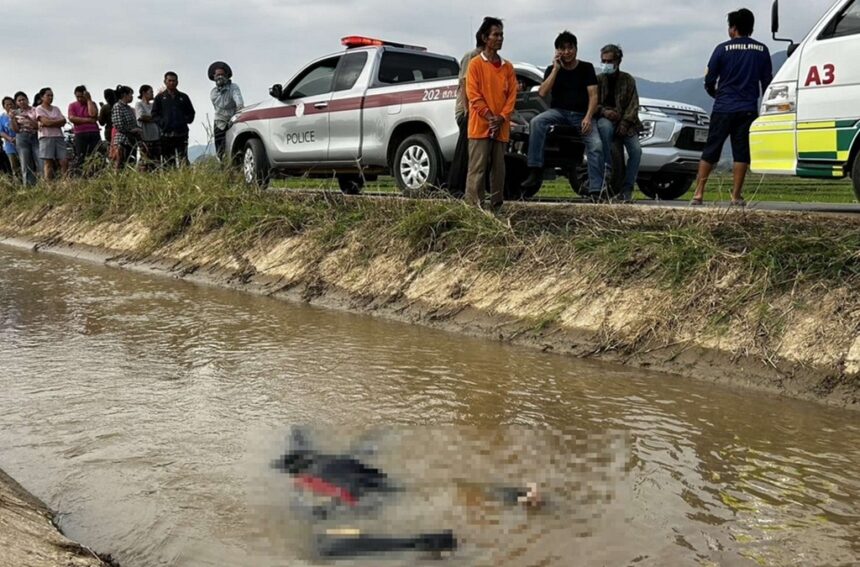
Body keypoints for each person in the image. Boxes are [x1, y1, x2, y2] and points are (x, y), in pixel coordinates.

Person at [691, 8, 772, 206]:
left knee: (711, 150)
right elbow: (767, 82)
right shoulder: (762, 50)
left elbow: (709, 79)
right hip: (747, 109)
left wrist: (715, 94)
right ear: (750, 28)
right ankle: (736, 196)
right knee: (741, 152)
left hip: (723, 107)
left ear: (733, 29)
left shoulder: (721, 49)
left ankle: (699, 193)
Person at [521, 31, 604, 200]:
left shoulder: (586, 68)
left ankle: (596, 190)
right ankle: (535, 169)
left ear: (576, 49)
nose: (567, 52)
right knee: (537, 122)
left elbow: (593, 96)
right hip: (559, 112)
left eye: (570, 48)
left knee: (595, 145)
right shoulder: (553, 69)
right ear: (557, 51)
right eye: (562, 48)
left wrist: (588, 117)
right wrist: (556, 70)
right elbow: (543, 92)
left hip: (582, 114)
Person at [464, 16, 517, 211]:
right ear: (485, 38)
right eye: (496, 34)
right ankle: (473, 209)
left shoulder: (508, 67)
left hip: (501, 126)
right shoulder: (475, 64)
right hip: (480, 126)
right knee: (477, 169)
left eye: (501, 34)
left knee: (498, 169)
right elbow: (473, 94)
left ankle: (496, 207)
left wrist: (501, 117)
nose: (500, 38)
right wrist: (488, 116)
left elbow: (512, 96)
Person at [595, 44, 643, 202]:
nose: (606, 64)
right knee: (605, 129)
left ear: (618, 61)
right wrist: (604, 111)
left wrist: (625, 123)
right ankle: (607, 170)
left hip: (626, 122)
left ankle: (627, 188)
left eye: (610, 61)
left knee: (636, 151)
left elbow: (633, 105)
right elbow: (592, 103)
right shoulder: (598, 80)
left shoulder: (628, 80)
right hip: (605, 118)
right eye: (603, 61)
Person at [446, 25, 486, 196]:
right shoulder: (472, 56)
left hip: (481, 111)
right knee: (464, 149)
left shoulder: (489, 60)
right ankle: (455, 188)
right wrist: (468, 111)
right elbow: (464, 84)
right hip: (468, 111)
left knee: (475, 152)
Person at [152, 71, 195, 166]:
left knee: (183, 159)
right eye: (169, 80)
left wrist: (185, 120)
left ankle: (185, 179)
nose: (172, 83)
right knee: (168, 161)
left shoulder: (183, 97)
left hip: (181, 134)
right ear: (165, 82)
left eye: (174, 81)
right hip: (166, 134)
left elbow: (191, 112)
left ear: (177, 82)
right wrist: (163, 123)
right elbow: (154, 114)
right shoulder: (160, 98)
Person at [208, 61, 243, 161]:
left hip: (234, 119)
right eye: (217, 75)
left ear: (227, 76)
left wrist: (238, 111)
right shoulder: (213, 93)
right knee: (220, 149)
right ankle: (223, 165)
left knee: (237, 145)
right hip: (220, 121)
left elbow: (239, 102)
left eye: (222, 75)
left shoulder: (234, 87)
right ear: (214, 76)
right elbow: (220, 107)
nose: (220, 77)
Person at [33, 88, 68, 180]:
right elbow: (46, 122)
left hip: (59, 136)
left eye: (52, 95)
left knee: (64, 161)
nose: (50, 97)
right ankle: (49, 185)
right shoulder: (39, 109)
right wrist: (55, 122)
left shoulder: (56, 109)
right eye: (48, 95)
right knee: (48, 162)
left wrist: (50, 122)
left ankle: (66, 182)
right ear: (42, 97)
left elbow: (63, 121)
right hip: (46, 137)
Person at [67, 86, 101, 173]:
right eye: (77, 96)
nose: (79, 99)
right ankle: (81, 175)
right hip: (80, 133)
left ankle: (95, 174)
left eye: (81, 96)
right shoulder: (72, 105)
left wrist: (89, 100)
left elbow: (93, 114)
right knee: (81, 156)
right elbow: (72, 118)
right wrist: (88, 120)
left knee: (95, 155)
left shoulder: (92, 103)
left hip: (93, 132)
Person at [10, 92, 40, 186]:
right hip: (22, 137)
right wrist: (12, 119)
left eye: (23, 99)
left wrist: (29, 119)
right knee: (25, 162)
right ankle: (28, 185)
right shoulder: (15, 113)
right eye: (19, 100)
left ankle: (44, 182)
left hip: (35, 135)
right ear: (16, 102)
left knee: (40, 159)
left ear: (27, 99)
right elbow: (16, 130)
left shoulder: (35, 110)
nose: (22, 102)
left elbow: (38, 126)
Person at [110, 86, 142, 170]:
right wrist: (132, 130)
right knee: (120, 164)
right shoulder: (118, 106)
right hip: (122, 140)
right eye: (130, 95)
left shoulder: (128, 108)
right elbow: (119, 124)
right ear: (124, 95)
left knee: (130, 164)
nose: (132, 97)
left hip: (131, 140)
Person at [135, 84, 161, 168]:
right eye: (151, 92)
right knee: (145, 161)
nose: (152, 94)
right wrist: (154, 118)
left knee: (156, 161)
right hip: (145, 138)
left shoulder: (153, 105)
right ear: (144, 93)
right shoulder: (139, 104)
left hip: (156, 137)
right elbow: (142, 117)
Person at [0, 97, 19, 179]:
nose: (9, 106)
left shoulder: (19, 115)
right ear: (4, 106)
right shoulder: (2, 118)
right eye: (7, 105)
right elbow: (1, 132)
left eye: (11, 104)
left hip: (22, 143)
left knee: (25, 164)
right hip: (10, 146)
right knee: (14, 166)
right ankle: (18, 186)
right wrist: (10, 139)